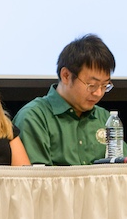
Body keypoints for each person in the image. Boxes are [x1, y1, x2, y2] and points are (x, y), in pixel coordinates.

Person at [13, 33, 120, 166]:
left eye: (105, 86)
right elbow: (36, 181)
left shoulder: (104, 118)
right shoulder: (34, 117)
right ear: (66, 76)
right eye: (92, 85)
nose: (98, 93)